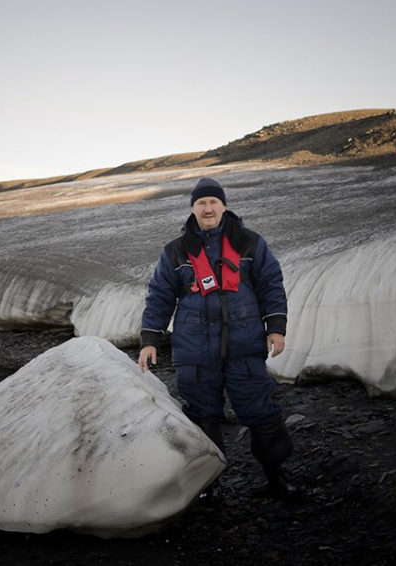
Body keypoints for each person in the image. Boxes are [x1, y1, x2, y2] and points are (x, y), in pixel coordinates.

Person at [138, 177, 298, 502]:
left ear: (223, 205)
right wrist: (150, 339)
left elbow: (270, 284)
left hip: (245, 346)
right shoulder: (175, 252)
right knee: (201, 417)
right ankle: (209, 487)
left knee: (261, 411)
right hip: (194, 352)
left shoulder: (250, 243)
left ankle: (276, 478)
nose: (208, 208)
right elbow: (160, 296)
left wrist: (276, 327)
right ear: (193, 208)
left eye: (213, 202)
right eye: (201, 203)